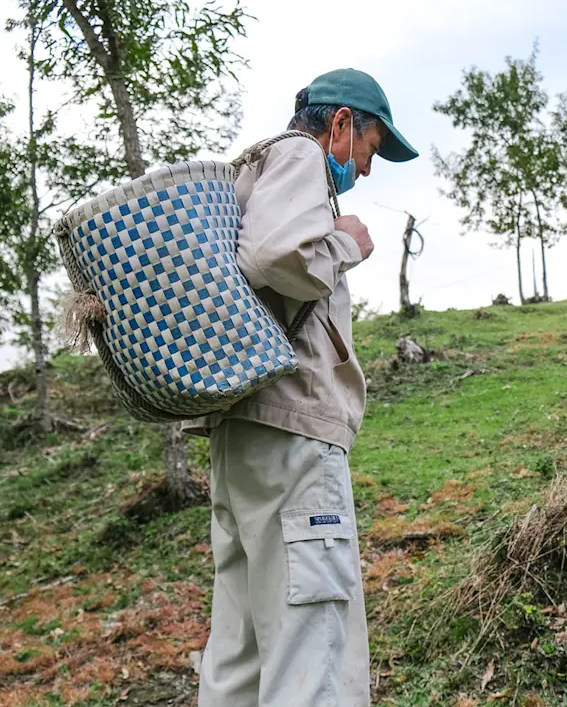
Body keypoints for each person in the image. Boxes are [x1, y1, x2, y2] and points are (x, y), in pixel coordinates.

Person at [184, 68, 418, 707]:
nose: (367, 169)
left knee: (241, 653)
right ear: (341, 123)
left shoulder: (251, 174)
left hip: (244, 435)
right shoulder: (299, 156)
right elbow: (277, 257)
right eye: (370, 147)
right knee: (310, 650)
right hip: (292, 436)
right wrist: (346, 243)